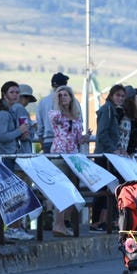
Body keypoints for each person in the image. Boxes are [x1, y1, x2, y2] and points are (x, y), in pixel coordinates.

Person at [0, 81, 33, 241]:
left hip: (8, 157)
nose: (16, 95)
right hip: (2, 158)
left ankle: (0, 229)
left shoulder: (9, 112)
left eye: (17, 92)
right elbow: (1, 136)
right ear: (4, 94)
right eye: (12, 92)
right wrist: (19, 131)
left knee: (6, 194)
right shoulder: (2, 114)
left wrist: (21, 134)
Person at [49, 85, 91, 237]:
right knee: (62, 190)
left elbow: (78, 138)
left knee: (73, 190)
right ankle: (58, 224)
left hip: (73, 155)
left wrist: (85, 137)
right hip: (60, 155)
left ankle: (65, 222)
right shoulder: (57, 114)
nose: (63, 98)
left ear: (71, 97)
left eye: (65, 95)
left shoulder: (76, 115)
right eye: (60, 95)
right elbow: (53, 117)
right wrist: (55, 101)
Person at [90, 84, 125, 232]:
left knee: (108, 190)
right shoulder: (108, 110)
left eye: (122, 96)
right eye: (118, 95)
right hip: (104, 155)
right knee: (102, 190)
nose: (120, 98)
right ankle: (96, 222)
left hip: (109, 155)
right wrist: (112, 149)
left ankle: (103, 221)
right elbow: (102, 133)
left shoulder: (113, 110)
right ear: (111, 95)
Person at [36, 72, 72, 154]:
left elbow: (40, 126)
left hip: (48, 141)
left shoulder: (43, 102)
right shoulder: (72, 101)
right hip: (67, 142)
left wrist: (41, 139)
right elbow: (78, 120)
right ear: (65, 85)